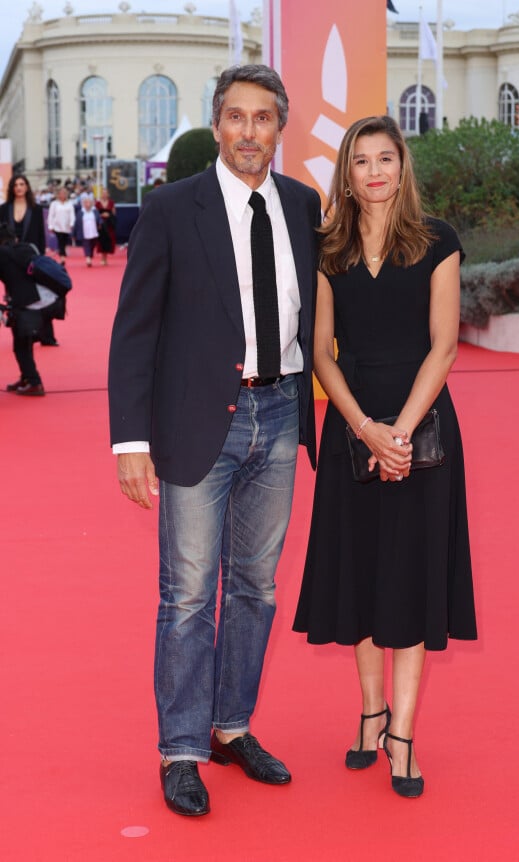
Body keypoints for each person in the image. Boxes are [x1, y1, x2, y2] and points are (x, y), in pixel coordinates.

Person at [108, 64, 320, 818]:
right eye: (236, 117)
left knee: (258, 589)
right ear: (217, 124)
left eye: (264, 118)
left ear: (279, 128)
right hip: (203, 421)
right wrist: (130, 440)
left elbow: (314, 314)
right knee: (191, 593)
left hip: (281, 414)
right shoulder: (171, 208)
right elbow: (134, 330)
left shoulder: (302, 204)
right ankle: (182, 749)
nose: (249, 132)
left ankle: (231, 727)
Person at [293, 115, 477, 799]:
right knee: (363, 574)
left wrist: (396, 433)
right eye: (361, 161)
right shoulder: (327, 249)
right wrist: (364, 429)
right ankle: (371, 714)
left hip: (420, 430)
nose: (374, 172)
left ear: (403, 167)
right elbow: (319, 349)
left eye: (386, 159)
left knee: (409, 576)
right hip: (352, 426)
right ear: (347, 172)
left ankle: (403, 734)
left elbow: (446, 346)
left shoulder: (438, 242)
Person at [0, 222, 60, 396]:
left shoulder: (2, 254)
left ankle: (34, 382)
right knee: (24, 342)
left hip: (22, 303)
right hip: (42, 300)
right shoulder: (26, 248)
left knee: (20, 345)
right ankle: (27, 377)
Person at [0, 174, 58, 346]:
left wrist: (40, 258)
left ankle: (46, 335)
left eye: (22, 184)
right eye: (16, 184)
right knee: (14, 297)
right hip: (9, 258)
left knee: (40, 294)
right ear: (12, 188)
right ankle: (23, 334)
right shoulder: (3, 209)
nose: (19, 187)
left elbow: (41, 235)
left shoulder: (37, 209)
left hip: (31, 256)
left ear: (27, 187)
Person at [47, 186, 75, 265]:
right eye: (61, 193)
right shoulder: (54, 204)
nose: (63, 195)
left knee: (64, 241)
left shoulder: (69, 204)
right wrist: (50, 225)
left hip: (66, 226)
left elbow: (72, 214)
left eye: (64, 193)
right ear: (58, 194)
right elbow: (51, 215)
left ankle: (62, 254)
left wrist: (72, 223)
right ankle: (62, 257)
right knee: (60, 241)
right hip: (57, 226)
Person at [75, 196, 101, 266]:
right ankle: (88, 258)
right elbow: (76, 223)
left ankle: (90, 255)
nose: (88, 204)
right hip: (84, 231)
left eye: (89, 202)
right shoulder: (80, 212)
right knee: (86, 245)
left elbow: (99, 219)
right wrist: (74, 234)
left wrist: (100, 224)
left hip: (93, 231)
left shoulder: (95, 211)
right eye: (86, 202)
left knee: (92, 245)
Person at [95, 188, 116, 265]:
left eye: (105, 193)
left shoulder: (111, 203)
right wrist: (101, 215)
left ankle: (106, 258)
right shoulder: (97, 203)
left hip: (109, 224)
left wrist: (109, 215)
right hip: (100, 225)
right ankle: (102, 258)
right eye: (103, 193)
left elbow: (114, 214)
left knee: (108, 240)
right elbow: (95, 214)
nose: (104, 195)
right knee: (101, 240)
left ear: (108, 194)